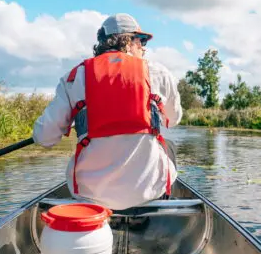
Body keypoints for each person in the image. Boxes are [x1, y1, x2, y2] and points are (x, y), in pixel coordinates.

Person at [32, 13, 182, 211]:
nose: (143, 48)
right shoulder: (158, 73)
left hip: (89, 195)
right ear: (128, 41)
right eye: (141, 40)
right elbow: (174, 119)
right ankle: (157, 209)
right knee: (168, 145)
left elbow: (44, 137)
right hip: (149, 191)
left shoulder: (74, 77)